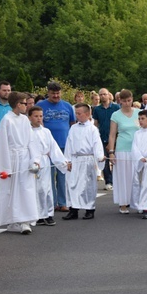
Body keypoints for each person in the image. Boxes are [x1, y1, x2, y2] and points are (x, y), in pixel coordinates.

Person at [0, 92, 41, 234]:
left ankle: (25, 220)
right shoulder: (7, 120)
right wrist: (4, 167)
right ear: (18, 104)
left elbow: (31, 141)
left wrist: (35, 160)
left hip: (24, 158)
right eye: (25, 103)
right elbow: (2, 144)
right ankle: (12, 221)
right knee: (11, 191)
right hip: (12, 159)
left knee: (26, 189)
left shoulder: (25, 120)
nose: (27, 106)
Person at [36, 81, 76, 212]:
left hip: (64, 145)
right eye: (53, 93)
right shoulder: (40, 105)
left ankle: (63, 202)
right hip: (47, 148)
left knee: (62, 174)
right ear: (48, 93)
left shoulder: (68, 106)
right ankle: (51, 203)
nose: (56, 96)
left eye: (58, 93)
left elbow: (72, 124)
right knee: (48, 176)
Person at [62, 103, 105, 221]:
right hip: (75, 159)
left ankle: (89, 209)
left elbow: (97, 144)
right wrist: (68, 160)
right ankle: (73, 209)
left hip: (87, 160)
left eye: (79, 113)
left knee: (87, 185)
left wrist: (100, 157)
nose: (77, 116)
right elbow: (69, 144)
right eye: (76, 113)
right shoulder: (73, 128)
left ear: (87, 114)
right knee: (72, 184)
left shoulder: (92, 129)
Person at [28, 106, 67, 227]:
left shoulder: (46, 131)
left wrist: (62, 162)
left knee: (46, 188)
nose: (39, 119)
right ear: (29, 117)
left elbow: (53, 148)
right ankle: (38, 215)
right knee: (35, 189)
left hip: (45, 161)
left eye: (40, 116)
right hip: (32, 163)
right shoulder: (27, 132)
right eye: (36, 116)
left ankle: (48, 214)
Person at [107, 90, 140, 214]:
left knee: (136, 177)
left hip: (137, 150)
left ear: (132, 99)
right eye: (124, 101)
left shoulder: (138, 113)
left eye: (129, 100)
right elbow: (112, 135)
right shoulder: (116, 115)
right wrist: (111, 152)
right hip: (122, 149)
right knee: (122, 177)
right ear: (120, 101)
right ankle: (123, 203)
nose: (126, 103)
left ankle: (137, 202)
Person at [92, 88, 120, 191]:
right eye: (101, 95)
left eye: (104, 94)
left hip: (115, 138)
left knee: (116, 160)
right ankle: (108, 181)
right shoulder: (97, 109)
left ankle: (117, 180)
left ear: (109, 95)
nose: (103, 96)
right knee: (105, 160)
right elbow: (95, 124)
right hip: (102, 138)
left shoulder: (116, 107)